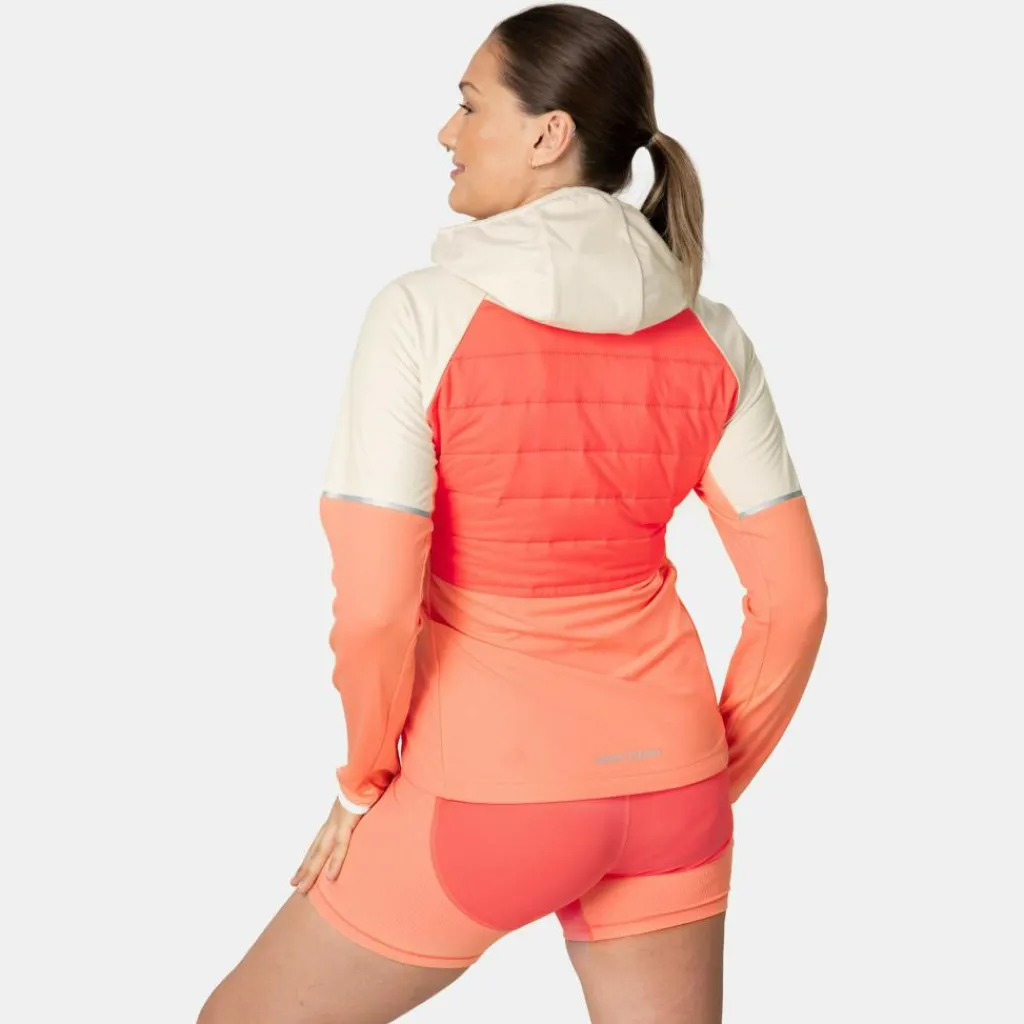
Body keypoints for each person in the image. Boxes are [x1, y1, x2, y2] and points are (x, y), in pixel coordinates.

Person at [198, 4, 828, 1022]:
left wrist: (361, 784)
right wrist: (705, 776)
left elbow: (375, 607)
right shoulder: (712, 334)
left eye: (468, 104)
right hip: (671, 789)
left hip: (484, 790)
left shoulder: (420, 314)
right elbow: (794, 602)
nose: (446, 132)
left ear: (548, 135)